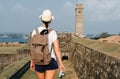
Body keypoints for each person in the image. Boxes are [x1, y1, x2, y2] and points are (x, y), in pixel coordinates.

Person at [30, 9, 65, 79]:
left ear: (41, 19)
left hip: (38, 60)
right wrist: (61, 63)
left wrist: (32, 61)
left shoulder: (35, 31)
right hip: (50, 60)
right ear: (50, 20)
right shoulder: (53, 32)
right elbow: (57, 49)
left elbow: (33, 48)